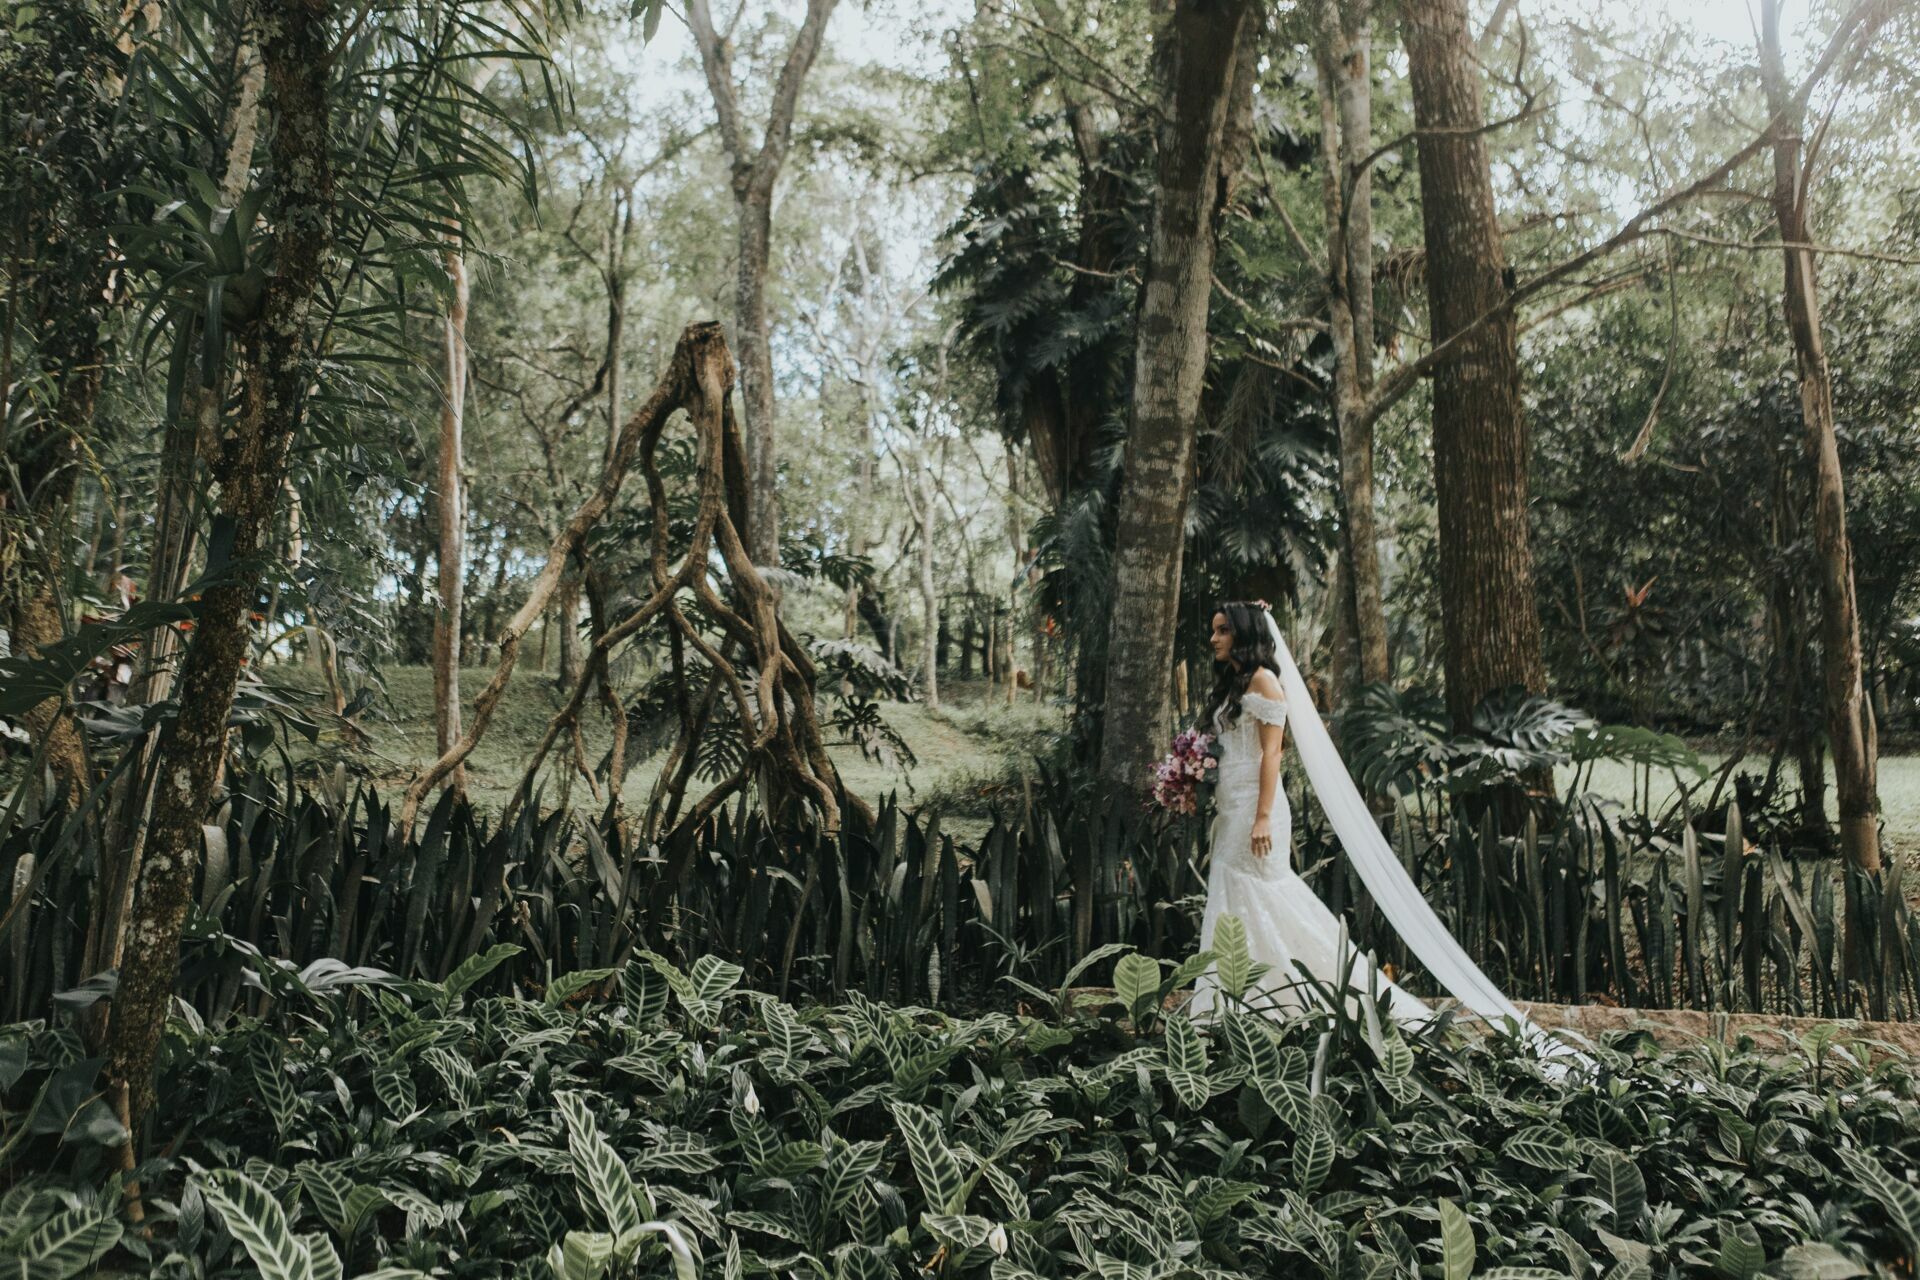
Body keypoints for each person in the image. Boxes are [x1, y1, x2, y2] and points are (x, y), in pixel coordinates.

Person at [1186, 601, 1580, 1070]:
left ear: (1244, 634)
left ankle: (1311, 992)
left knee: (1266, 898)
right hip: (1231, 808)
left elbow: (1272, 756)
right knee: (1232, 899)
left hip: (1257, 807)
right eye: (1213, 630)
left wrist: (1263, 816)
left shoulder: (1264, 682)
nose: (1214, 639)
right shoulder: (1233, 685)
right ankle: (1234, 1006)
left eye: (1223, 630)